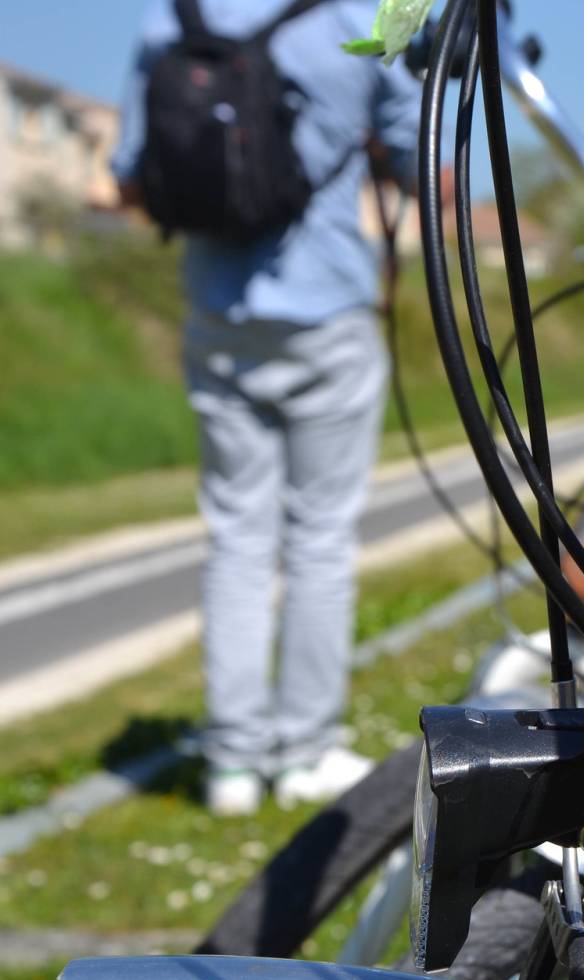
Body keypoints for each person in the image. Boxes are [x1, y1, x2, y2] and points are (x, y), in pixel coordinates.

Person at [111, 0, 420, 816]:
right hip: (326, 313)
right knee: (319, 537)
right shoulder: (360, 17)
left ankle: (232, 766)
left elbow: (133, 174)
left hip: (216, 314)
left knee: (238, 540)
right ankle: (305, 748)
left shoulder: (167, 20)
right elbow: (425, 157)